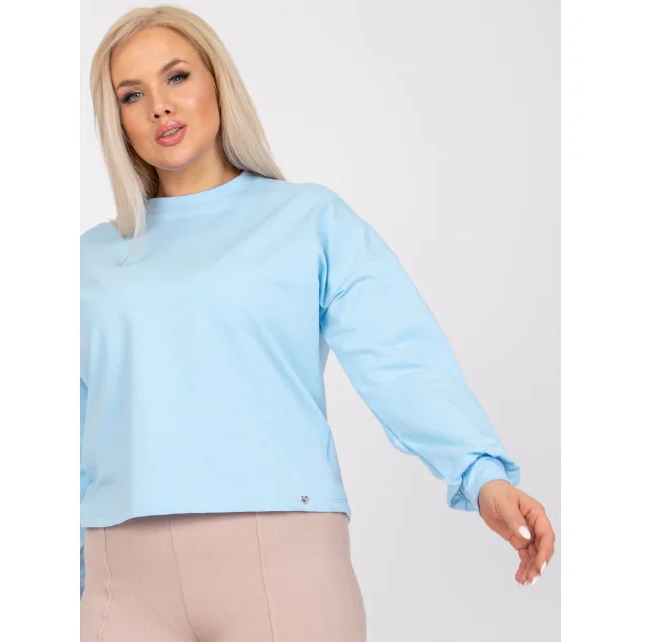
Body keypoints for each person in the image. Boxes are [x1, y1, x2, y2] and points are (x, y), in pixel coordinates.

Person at [80, 4, 555, 640]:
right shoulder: (90, 259)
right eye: (132, 94)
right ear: (115, 119)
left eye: (177, 77)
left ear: (218, 81)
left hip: (282, 560)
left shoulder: (308, 221)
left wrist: (481, 475)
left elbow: (397, 357)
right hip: (120, 576)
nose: (159, 106)